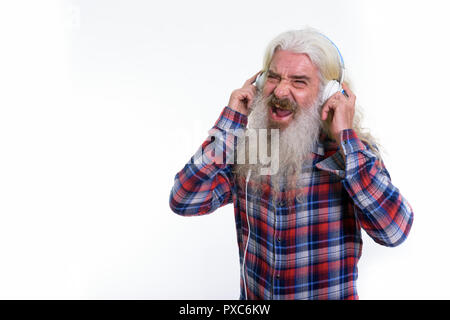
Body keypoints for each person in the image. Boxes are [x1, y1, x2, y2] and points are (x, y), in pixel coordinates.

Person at [169, 28, 414, 300]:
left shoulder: (350, 156)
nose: (281, 91)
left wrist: (346, 137)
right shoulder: (255, 149)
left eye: (299, 82)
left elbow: (394, 232)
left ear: (328, 93)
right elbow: (184, 199)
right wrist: (229, 123)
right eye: (273, 77)